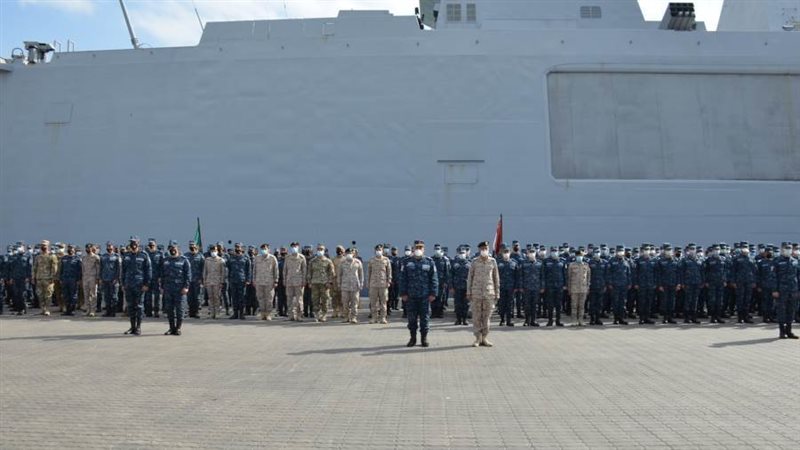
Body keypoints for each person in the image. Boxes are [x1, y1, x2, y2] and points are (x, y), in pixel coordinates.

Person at [399, 240, 438, 347]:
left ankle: (424, 338)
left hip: (425, 296)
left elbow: (434, 279)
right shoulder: (406, 262)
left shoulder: (429, 262)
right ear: (413, 249)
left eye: (420, 248)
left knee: (424, 319)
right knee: (412, 319)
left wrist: (433, 293)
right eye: (416, 247)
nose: (418, 250)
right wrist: (403, 293)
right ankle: (413, 338)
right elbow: (402, 279)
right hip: (411, 296)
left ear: (424, 249)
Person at [466, 241, 499, 347]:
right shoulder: (474, 262)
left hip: (489, 293)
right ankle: (477, 339)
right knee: (476, 317)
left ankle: (484, 338)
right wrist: (468, 291)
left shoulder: (493, 261)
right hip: (476, 294)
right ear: (479, 250)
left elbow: (496, 278)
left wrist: (497, 293)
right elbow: (470, 278)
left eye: (486, 248)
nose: (484, 250)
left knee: (487, 317)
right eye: (482, 248)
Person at [121, 236, 152, 335]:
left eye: (135, 242)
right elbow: (123, 271)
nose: (133, 244)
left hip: (139, 285)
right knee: (130, 306)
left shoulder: (144, 255)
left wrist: (146, 284)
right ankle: (132, 327)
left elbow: (148, 271)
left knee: (139, 306)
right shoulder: (126, 255)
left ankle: (138, 327)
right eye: (132, 242)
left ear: (138, 243)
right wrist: (123, 283)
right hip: (129, 284)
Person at [162, 241, 191, 335]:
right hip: (168, 288)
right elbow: (162, 275)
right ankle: (171, 328)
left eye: (174, 248)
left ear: (177, 248)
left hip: (180, 289)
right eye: (171, 248)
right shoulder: (165, 260)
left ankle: (178, 328)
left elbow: (188, 275)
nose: (172, 250)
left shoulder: (184, 260)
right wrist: (162, 286)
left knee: (180, 310)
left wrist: (186, 287)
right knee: (169, 310)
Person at [773, 243, 799, 339]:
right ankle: (782, 332)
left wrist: (798, 289)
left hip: (793, 290)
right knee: (781, 310)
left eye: (790, 248)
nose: (788, 250)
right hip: (781, 290)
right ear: (782, 249)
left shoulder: (795, 261)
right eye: (786, 248)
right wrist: (775, 290)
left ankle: (789, 331)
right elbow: (774, 277)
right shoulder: (777, 261)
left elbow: (798, 276)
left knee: (791, 310)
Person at [307, 244, 334, 322]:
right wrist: (309, 282)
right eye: (318, 249)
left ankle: (324, 314)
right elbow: (309, 272)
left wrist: (330, 282)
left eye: (321, 249)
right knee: (315, 299)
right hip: (315, 283)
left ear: (324, 250)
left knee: (325, 299)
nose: (320, 251)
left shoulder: (328, 261)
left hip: (324, 284)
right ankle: (316, 314)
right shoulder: (312, 261)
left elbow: (331, 273)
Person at [253, 243, 279, 321]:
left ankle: (268, 314)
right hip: (259, 281)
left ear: (268, 249)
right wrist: (254, 280)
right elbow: (254, 270)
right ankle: (262, 314)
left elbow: (276, 270)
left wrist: (276, 281)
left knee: (269, 299)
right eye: (262, 249)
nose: (264, 250)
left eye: (265, 249)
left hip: (269, 282)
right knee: (260, 298)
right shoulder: (257, 258)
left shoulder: (272, 258)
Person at [32, 240, 58, 316]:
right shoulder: (38, 257)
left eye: (45, 245)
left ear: (48, 246)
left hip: (48, 279)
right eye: (42, 245)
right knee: (40, 295)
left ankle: (47, 309)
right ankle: (42, 309)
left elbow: (54, 268)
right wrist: (33, 277)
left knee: (48, 295)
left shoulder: (52, 256)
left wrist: (53, 277)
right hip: (39, 278)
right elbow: (34, 268)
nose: (43, 247)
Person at [338, 248, 364, 324]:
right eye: (348, 252)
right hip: (345, 286)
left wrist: (361, 283)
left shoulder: (358, 262)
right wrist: (339, 283)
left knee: (354, 303)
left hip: (355, 285)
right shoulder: (342, 263)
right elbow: (339, 274)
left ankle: (353, 317)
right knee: (345, 302)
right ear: (345, 254)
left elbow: (361, 274)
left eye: (351, 252)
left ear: (354, 254)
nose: (350, 254)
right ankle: (346, 317)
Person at [226, 243, 251, 320]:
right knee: (234, 297)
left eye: (239, 247)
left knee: (242, 297)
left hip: (242, 280)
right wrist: (229, 278)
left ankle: (241, 314)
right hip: (233, 280)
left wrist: (248, 280)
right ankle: (235, 313)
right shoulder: (231, 257)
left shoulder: (246, 258)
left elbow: (248, 270)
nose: (237, 248)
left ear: (242, 248)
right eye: (236, 247)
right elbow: (228, 268)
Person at [367, 244, 392, 324]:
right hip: (373, 284)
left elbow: (389, 272)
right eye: (377, 249)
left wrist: (389, 281)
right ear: (375, 251)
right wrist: (368, 282)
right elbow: (369, 272)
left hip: (383, 284)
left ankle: (383, 318)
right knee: (373, 302)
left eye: (380, 249)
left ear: (382, 250)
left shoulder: (386, 260)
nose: (379, 251)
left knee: (383, 302)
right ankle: (374, 318)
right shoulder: (371, 260)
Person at [283, 242, 307, 321]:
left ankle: (299, 315)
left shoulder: (301, 257)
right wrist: (284, 280)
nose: (294, 248)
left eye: (295, 246)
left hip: (298, 281)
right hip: (289, 281)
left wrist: (304, 280)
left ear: (298, 247)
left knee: (299, 299)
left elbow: (304, 270)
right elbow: (285, 270)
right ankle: (291, 315)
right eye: (293, 246)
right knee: (289, 299)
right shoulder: (287, 257)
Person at [543, 246, 566, 327]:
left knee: (559, 304)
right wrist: (544, 285)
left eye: (556, 251)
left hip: (559, 286)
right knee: (550, 304)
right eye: (553, 251)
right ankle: (550, 320)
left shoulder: (562, 261)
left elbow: (564, 274)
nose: (554, 252)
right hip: (550, 286)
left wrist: (565, 285)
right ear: (550, 252)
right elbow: (543, 274)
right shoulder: (546, 261)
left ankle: (558, 320)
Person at [567, 250, 590, 326]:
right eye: (578, 256)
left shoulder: (586, 265)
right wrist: (569, 289)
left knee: (582, 306)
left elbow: (588, 278)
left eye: (581, 256)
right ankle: (574, 320)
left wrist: (587, 288)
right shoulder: (571, 265)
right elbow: (569, 278)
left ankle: (581, 320)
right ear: (576, 256)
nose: (579, 257)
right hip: (574, 289)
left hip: (583, 289)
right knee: (574, 306)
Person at [450, 245, 472, 326]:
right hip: (457, 287)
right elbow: (450, 275)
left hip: (467, 287)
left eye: (463, 252)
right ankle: (458, 319)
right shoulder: (454, 263)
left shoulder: (470, 263)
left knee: (466, 304)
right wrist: (451, 287)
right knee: (458, 304)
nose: (462, 254)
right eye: (460, 253)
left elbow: (472, 276)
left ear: (466, 253)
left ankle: (465, 319)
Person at [203, 245, 226, 319]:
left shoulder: (221, 260)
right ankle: (212, 313)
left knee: (216, 297)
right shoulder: (207, 260)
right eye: (212, 251)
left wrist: (222, 282)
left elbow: (223, 272)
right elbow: (205, 271)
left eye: (215, 250)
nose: (213, 252)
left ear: (217, 251)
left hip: (217, 281)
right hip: (209, 281)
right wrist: (204, 280)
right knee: (210, 297)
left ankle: (217, 312)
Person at [58, 244, 82, 316]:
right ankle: (67, 310)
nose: (70, 250)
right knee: (65, 295)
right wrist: (61, 278)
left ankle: (72, 310)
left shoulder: (77, 259)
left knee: (73, 295)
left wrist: (79, 279)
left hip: (73, 279)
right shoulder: (64, 258)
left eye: (72, 249)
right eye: (69, 249)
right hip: (65, 279)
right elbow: (61, 269)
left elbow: (79, 270)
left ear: (74, 250)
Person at [100, 242, 122, 317]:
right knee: (106, 296)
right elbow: (101, 268)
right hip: (105, 279)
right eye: (108, 246)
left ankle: (113, 312)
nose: (109, 247)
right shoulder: (103, 256)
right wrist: (101, 278)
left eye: (110, 246)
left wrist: (117, 278)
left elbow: (119, 269)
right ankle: (108, 311)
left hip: (113, 280)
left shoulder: (116, 256)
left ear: (113, 247)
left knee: (114, 297)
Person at [587, 249, 608, 326]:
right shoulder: (590, 263)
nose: (597, 254)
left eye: (598, 252)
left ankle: (598, 318)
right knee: (592, 303)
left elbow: (606, 275)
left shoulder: (604, 263)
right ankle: (592, 319)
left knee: (599, 304)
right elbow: (587, 275)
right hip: (592, 286)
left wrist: (605, 285)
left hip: (601, 286)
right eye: (596, 252)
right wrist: (588, 286)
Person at [185, 241, 205, 318]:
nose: (192, 247)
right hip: (189, 280)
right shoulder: (186, 255)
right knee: (189, 297)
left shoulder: (200, 256)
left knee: (197, 297)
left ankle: (196, 312)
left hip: (197, 280)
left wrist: (201, 279)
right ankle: (191, 312)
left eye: (193, 245)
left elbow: (203, 269)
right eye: (190, 245)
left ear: (196, 246)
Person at [81, 243, 101, 317]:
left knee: (93, 295)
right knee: (86, 295)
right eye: (87, 248)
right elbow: (82, 269)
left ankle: (93, 310)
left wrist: (97, 278)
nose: (88, 249)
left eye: (89, 248)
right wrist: (82, 277)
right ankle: (88, 309)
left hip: (93, 277)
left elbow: (98, 269)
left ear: (92, 248)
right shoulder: (84, 257)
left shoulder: (96, 257)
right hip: (85, 278)